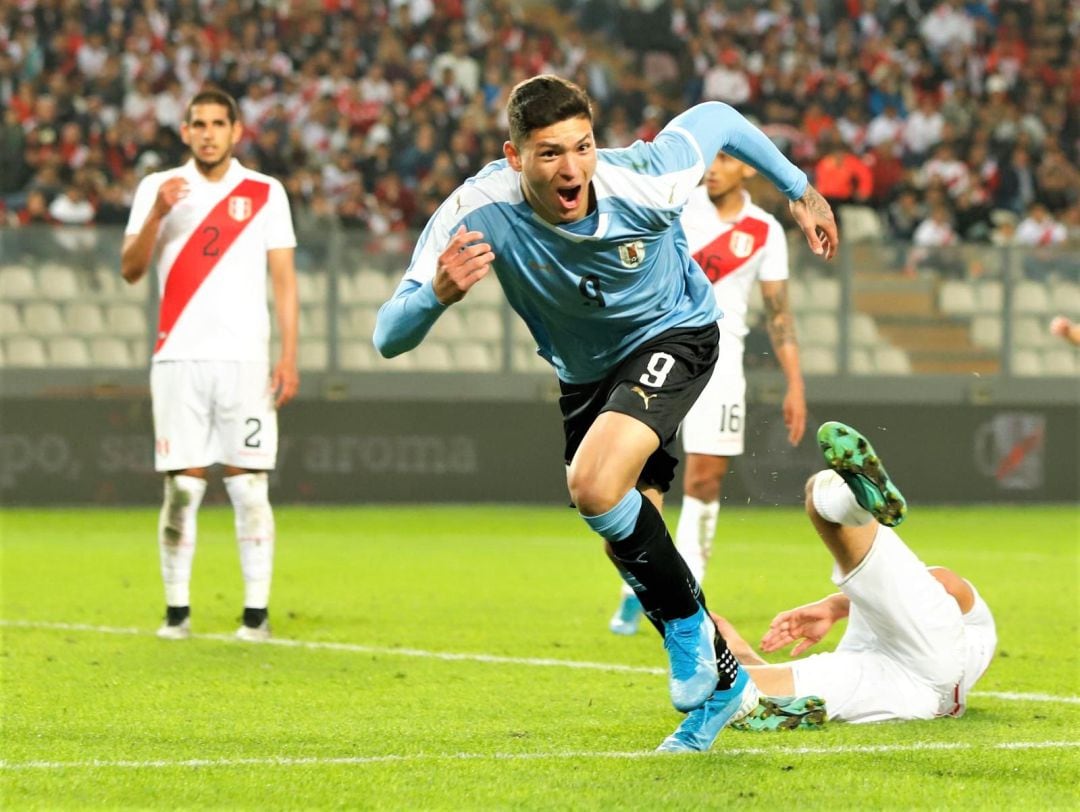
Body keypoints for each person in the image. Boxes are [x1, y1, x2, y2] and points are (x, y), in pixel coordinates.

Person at [373, 74, 838, 751]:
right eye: (550, 153)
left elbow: (717, 117)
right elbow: (390, 335)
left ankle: (686, 634)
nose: (572, 169)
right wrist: (434, 296)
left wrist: (800, 189)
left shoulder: (647, 177)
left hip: (675, 333)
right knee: (632, 542)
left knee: (593, 485)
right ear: (514, 157)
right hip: (586, 377)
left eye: (582, 147)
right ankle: (727, 688)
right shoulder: (474, 208)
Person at [120, 88, 299, 643]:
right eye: (198, 123)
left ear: (236, 131)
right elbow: (129, 269)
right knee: (183, 490)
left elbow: (284, 282)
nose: (208, 133)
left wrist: (289, 355)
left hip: (245, 360)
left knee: (249, 489)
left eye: (218, 123)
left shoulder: (265, 192)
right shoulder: (158, 188)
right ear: (184, 131)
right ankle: (177, 612)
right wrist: (157, 213)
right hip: (177, 356)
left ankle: (255, 615)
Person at [609, 151, 806, 636]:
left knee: (704, 482)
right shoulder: (675, 207)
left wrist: (795, 382)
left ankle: (686, 591)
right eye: (709, 158)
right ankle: (639, 581)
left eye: (725, 157)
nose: (713, 166)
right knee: (640, 476)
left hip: (724, 364)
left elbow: (778, 312)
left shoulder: (765, 230)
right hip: (662, 357)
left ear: (748, 167)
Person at [713, 421, 997, 730]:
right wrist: (737, 648)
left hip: (912, 684)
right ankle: (857, 500)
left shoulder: (946, 626)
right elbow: (946, 582)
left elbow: (944, 581)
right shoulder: (970, 628)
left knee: (820, 486)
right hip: (909, 687)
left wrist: (837, 606)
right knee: (731, 688)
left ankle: (857, 500)